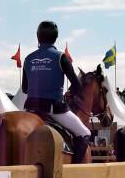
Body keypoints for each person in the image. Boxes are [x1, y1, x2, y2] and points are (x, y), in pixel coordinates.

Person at [22, 21, 91, 163]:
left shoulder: (28, 58)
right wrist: (69, 94)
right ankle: (74, 170)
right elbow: (77, 86)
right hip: (53, 109)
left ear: (38, 37)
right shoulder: (61, 57)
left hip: (29, 109)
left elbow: (24, 89)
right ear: (55, 37)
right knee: (84, 133)